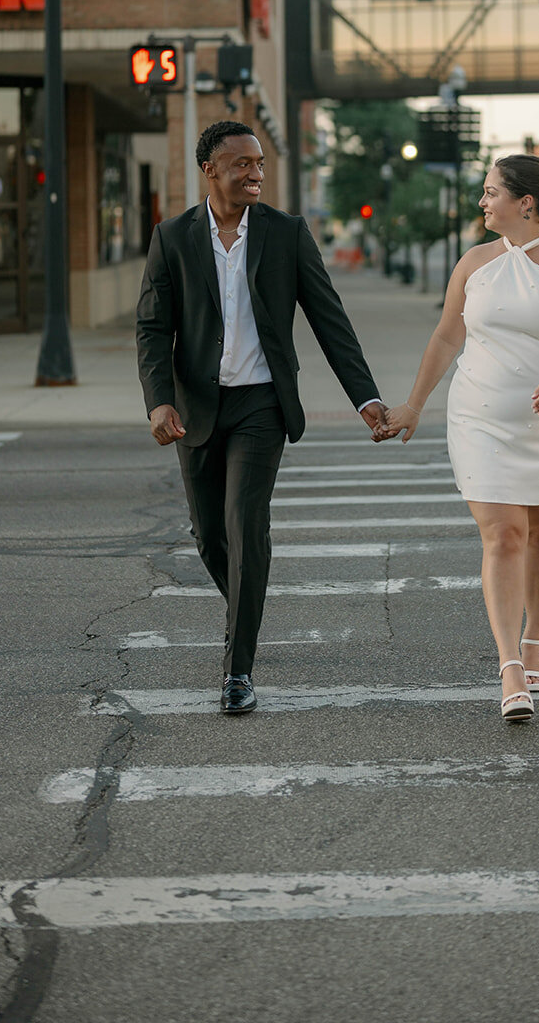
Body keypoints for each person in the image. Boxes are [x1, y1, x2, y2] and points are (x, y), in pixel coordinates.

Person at [136, 121, 388, 715]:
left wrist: (365, 398)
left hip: (262, 404)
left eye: (260, 164)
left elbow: (329, 319)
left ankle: (237, 670)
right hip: (196, 407)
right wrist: (158, 399)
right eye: (242, 164)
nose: (255, 173)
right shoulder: (172, 237)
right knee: (209, 535)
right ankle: (244, 610)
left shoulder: (286, 233)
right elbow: (152, 327)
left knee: (246, 525)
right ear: (210, 170)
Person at [382, 155, 539, 723]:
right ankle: (509, 667)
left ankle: (535, 640)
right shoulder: (474, 262)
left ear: (524, 203)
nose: (482, 202)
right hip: (479, 417)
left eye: (490, 192)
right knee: (503, 535)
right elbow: (446, 336)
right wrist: (413, 405)